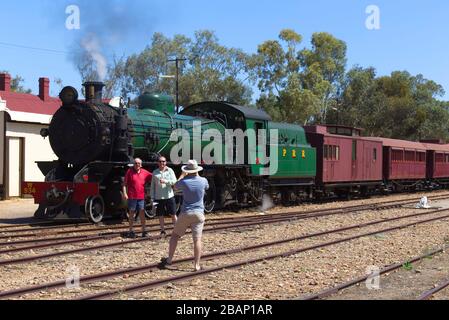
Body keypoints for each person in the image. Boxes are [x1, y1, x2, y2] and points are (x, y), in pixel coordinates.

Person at [159, 160, 209, 272]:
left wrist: (182, 175)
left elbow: (175, 186)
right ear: (197, 170)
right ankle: (196, 265)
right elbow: (206, 187)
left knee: (175, 236)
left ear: (188, 171)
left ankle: (169, 260)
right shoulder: (203, 181)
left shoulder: (184, 182)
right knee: (197, 240)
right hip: (199, 214)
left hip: (186, 212)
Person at [122, 158, 152, 238]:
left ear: (141, 164)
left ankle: (144, 230)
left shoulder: (145, 172)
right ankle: (131, 230)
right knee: (131, 213)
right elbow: (124, 184)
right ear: (133, 164)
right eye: (135, 163)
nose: (137, 164)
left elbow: (153, 177)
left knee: (142, 213)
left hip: (141, 197)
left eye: (138, 163)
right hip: (132, 196)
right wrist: (125, 193)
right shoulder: (129, 172)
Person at [150, 156, 178, 236]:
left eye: (163, 161)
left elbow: (174, 181)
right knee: (160, 214)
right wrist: (152, 197)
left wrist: (166, 181)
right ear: (158, 162)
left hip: (169, 196)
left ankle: (177, 230)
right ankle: (162, 230)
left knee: (173, 214)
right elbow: (152, 186)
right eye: (160, 161)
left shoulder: (170, 170)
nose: (162, 163)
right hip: (159, 197)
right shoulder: (155, 172)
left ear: (166, 162)